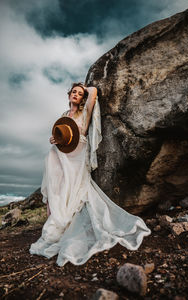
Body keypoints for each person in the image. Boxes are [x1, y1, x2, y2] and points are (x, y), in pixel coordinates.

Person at [29, 82, 151, 266]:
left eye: (79, 93)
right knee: (52, 158)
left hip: (78, 154)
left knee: (65, 174)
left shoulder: (84, 112)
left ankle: (64, 220)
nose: (76, 94)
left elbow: (93, 93)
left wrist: (84, 89)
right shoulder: (64, 116)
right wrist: (53, 139)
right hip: (63, 153)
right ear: (68, 95)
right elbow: (59, 137)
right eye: (73, 92)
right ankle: (54, 215)